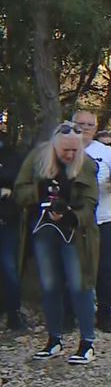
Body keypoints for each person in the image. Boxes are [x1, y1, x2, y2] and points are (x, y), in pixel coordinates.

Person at [14, 122, 99, 364]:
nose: (70, 155)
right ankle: (54, 340)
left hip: (75, 233)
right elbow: (19, 192)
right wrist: (40, 190)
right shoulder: (37, 159)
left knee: (79, 285)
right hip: (43, 231)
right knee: (49, 286)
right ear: (54, 146)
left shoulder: (87, 163)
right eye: (66, 151)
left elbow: (91, 202)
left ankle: (87, 343)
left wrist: (71, 215)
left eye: (75, 150)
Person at [74, 111, 111, 333]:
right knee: (75, 268)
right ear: (72, 124)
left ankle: (104, 314)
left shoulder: (104, 151)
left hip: (104, 220)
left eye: (90, 124)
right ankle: (72, 313)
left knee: (105, 270)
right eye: (81, 124)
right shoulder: (64, 147)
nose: (86, 128)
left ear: (96, 128)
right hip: (75, 220)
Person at [0, 121, 26, 331]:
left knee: (9, 267)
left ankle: (13, 312)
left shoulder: (11, 154)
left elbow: (18, 183)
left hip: (6, 220)